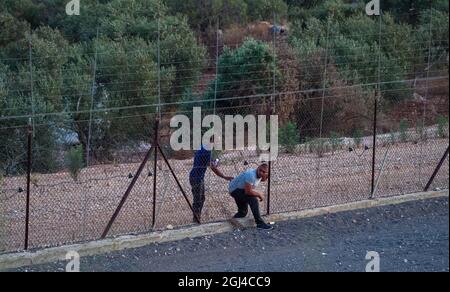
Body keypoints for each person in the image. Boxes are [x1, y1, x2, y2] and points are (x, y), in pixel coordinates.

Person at [189, 137, 233, 223]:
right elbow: (212, 167)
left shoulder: (203, 147)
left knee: (201, 198)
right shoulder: (208, 150)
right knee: (198, 199)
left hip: (197, 176)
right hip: (197, 178)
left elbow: (207, 161)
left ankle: (197, 217)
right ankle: (196, 220)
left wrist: (213, 162)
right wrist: (224, 176)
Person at [228, 163, 273, 230]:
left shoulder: (260, 176)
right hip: (235, 190)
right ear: (258, 168)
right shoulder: (251, 175)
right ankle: (259, 223)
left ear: (266, 173)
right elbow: (248, 192)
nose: (261, 172)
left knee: (242, 212)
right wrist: (259, 195)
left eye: (263, 172)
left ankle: (232, 222)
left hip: (240, 189)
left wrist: (265, 176)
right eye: (260, 170)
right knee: (253, 200)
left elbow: (262, 179)